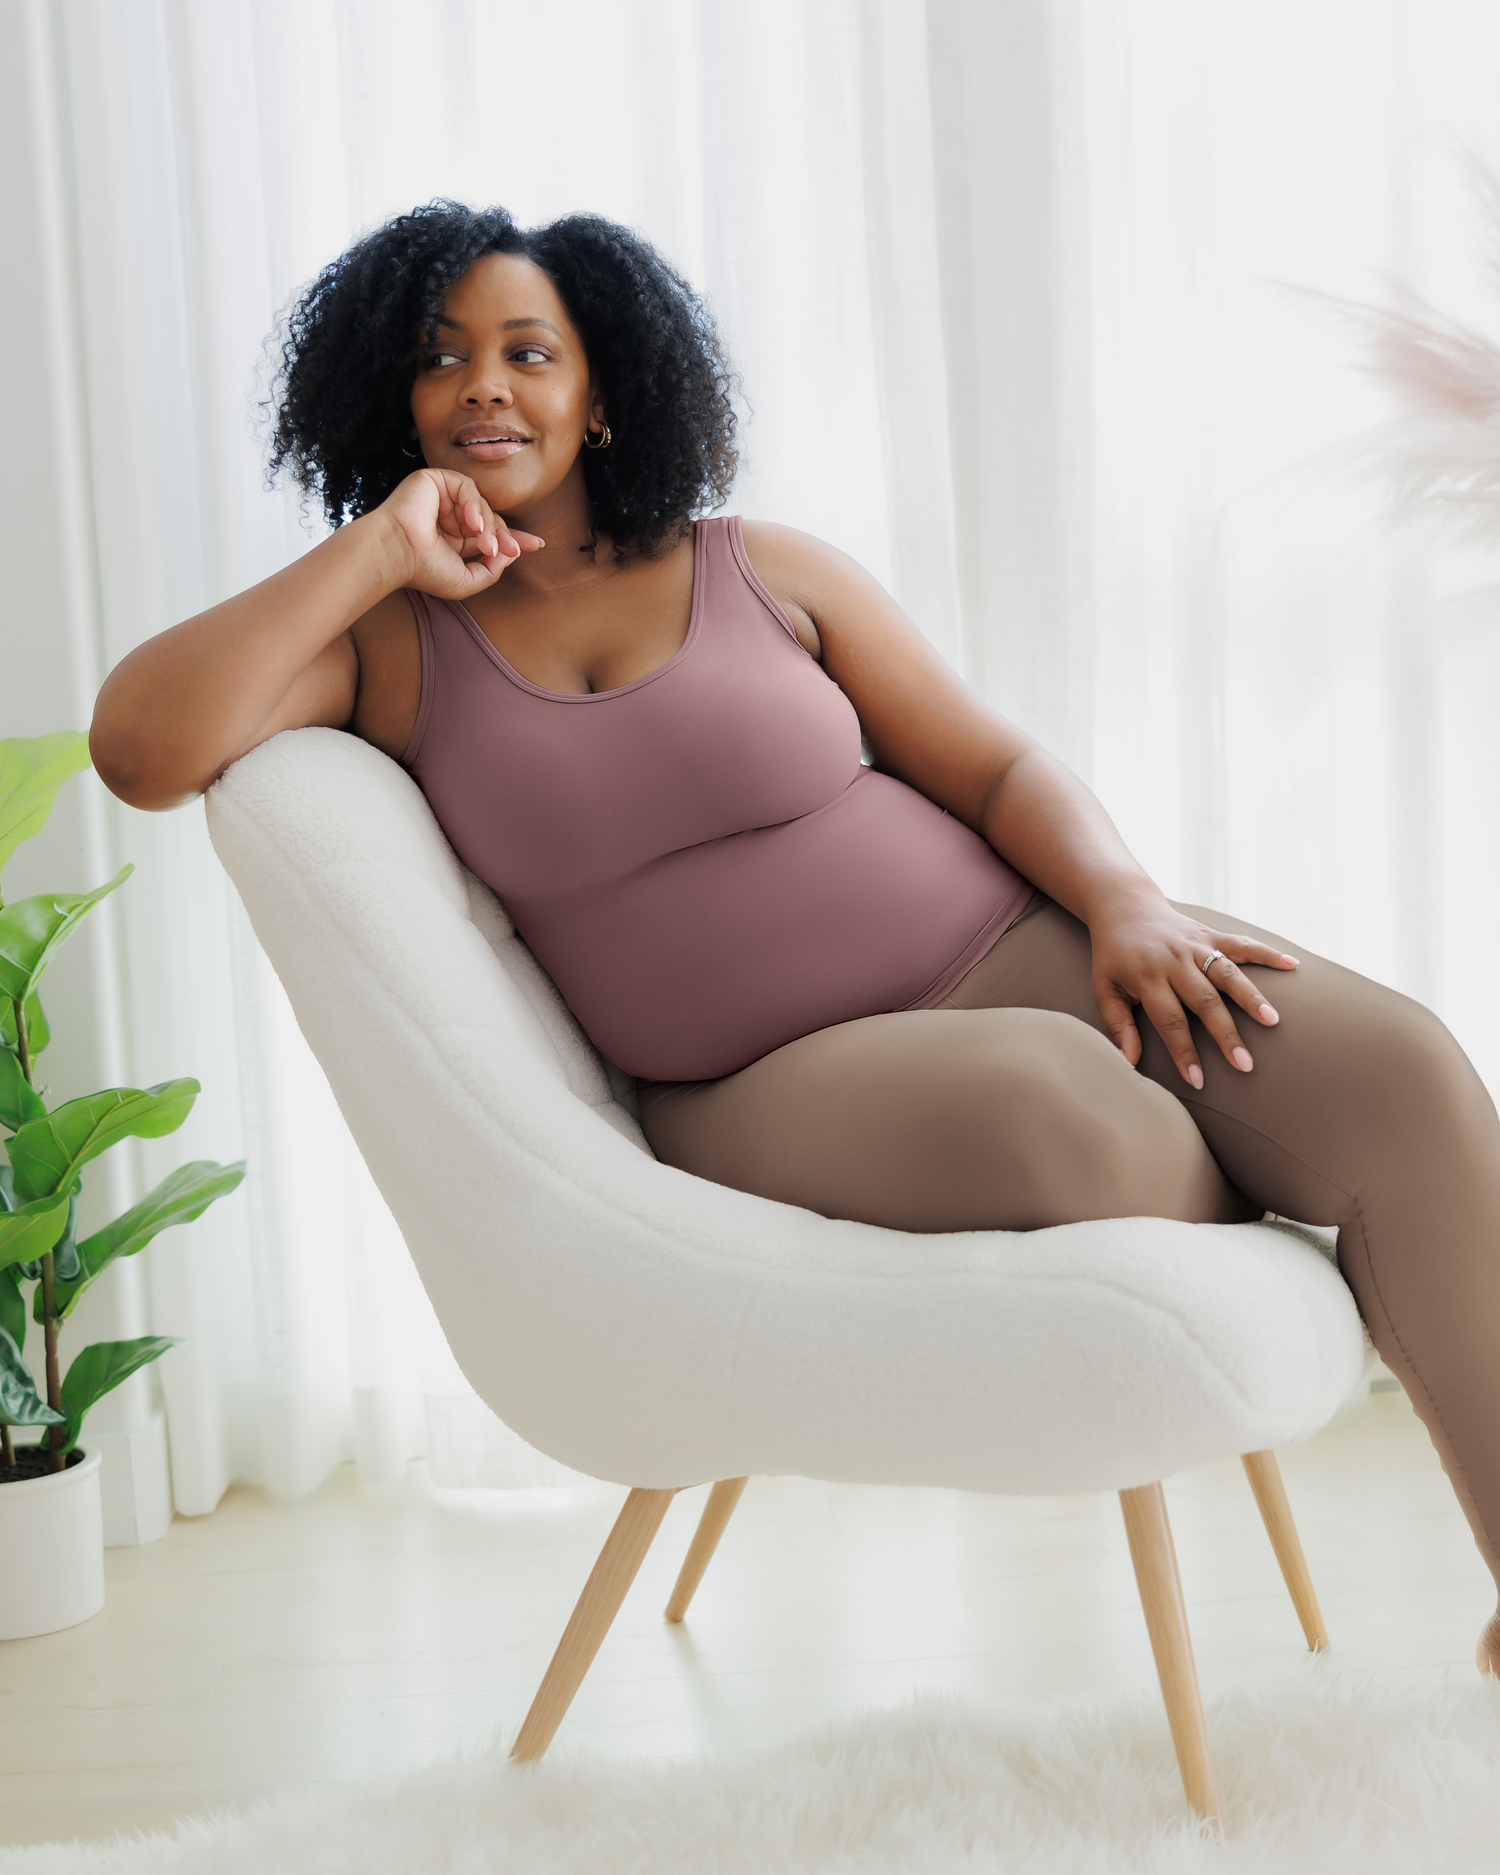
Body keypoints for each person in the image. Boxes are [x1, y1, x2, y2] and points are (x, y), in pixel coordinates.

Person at [90, 200, 1500, 1675]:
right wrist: (379, 547)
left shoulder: (762, 567)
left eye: (529, 352)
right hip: (762, 1080)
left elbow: (995, 768)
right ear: (394, 393)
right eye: (442, 358)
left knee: (1402, 1074)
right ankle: (1320, 1224)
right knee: (1071, 1114)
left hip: (1018, 938)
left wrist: (1125, 902)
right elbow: (140, 748)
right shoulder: (385, 649)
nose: (484, 386)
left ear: (603, 387)